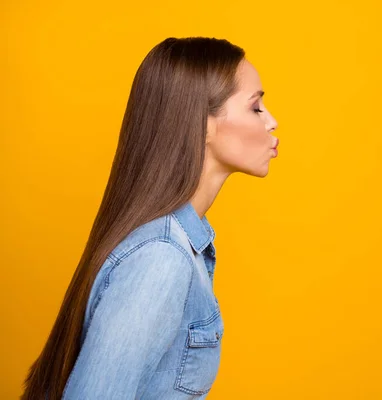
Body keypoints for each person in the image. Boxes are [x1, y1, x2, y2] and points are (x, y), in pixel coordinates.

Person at [21, 36, 279, 399]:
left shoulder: (178, 246)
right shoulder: (161, 257)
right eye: (256, 107)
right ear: (203, 125)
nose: (272, 122)